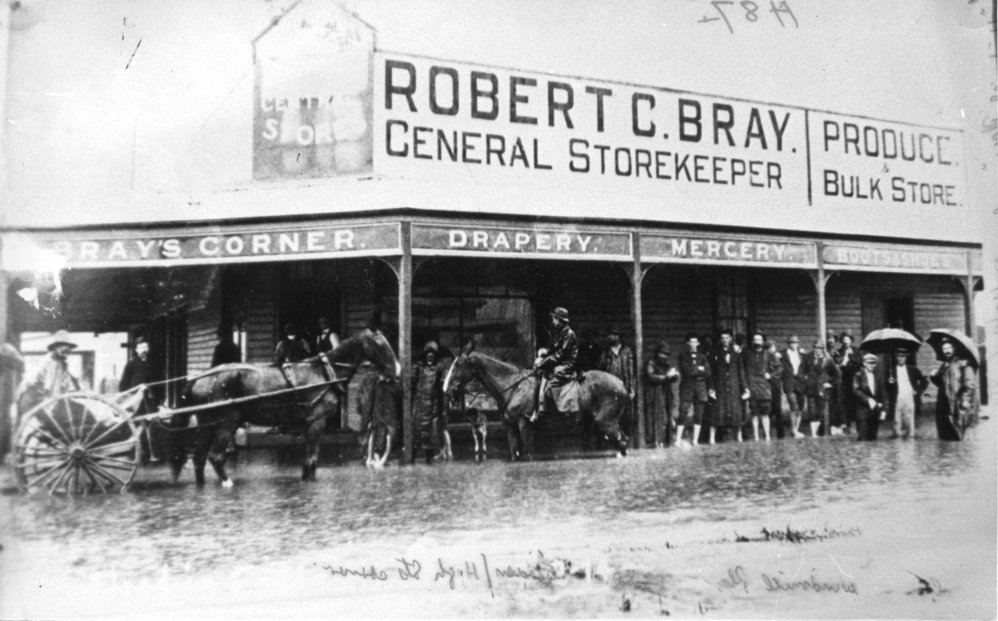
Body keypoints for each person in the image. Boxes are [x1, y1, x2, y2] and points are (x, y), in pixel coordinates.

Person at [17, 331, 81, 424]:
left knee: (74, 409)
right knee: (71, 413)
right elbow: (51, 390)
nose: (66, 349)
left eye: (68, 347)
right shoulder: (51, 362)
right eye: (62, 346)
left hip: (36, 399)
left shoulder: (59, 362)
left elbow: (64, 385)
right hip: (32, 400)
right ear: (55, 348)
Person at [532, 307, 578, 422]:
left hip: (566, 365)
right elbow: (555, 348)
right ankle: (539, 408)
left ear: (560, 320)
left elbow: (559, 355)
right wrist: (545, 352)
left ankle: (556, 414)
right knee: (540, 376)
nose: (553, 322)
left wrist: (542, 363)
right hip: (560, 362)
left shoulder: (569, 334)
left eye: (554, 319)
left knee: (550, 385)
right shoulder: (561, 332)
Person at [929, 338, 979, 436]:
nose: (947, 351)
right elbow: (941, 384)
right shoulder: (945, 365)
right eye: (944, 348)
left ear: (954, 348)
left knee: (957, 431)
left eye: (949, 348)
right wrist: (934, 376)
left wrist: (966, 399)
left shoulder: (963, 363)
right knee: (944, 431)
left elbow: (970, 384)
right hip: (943, 403)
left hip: (956, 402)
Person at [709, 328, 749, 444]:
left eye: (727, 338)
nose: (725, 340)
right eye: (723, 338)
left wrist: (745, 387)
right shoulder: (715, 353)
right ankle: (712, 437)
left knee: (736, 411)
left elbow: (741, 371)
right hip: (720, 385)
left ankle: (739, 436)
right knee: (716, 411)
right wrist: (711, 388)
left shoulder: (736, 353)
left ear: (731, 339)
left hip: (734, 385)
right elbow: (712, 371)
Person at [412, 341, 449, 463]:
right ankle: (412, 458)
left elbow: (443, 386)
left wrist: (443, 407)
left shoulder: (439, 367)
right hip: (419, 405)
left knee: (431, 434)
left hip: (433, 406)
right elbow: (411, 382)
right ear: (425, 354)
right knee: (416, 432)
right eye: (428, 352)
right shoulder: (418, 367)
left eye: (433, 353)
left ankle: (429, 459)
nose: (431, 355)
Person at [743, 332, 782, 442]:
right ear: (752, 341)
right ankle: (756, 436)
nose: (757, 342)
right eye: (755, 340)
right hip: (752, 386)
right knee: (754, 413)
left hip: (764, 387)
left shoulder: (768, 354)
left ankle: (767, 436)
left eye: (759, 340)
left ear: (763, 342)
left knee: (765, 413)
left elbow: (779, 367)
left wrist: (770, 375)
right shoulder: (747, 354)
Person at [676, 333, 713, 447]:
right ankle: (678, 440)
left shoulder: (703, 357)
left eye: (695, 342)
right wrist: (699, 369)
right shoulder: (683, 356)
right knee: (683, 411)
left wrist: (696, 370)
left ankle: (695, 440)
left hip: (700, 387)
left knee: (699, 413)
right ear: (688, 343)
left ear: (698, 343)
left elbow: (708, 372)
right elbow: (686, 370)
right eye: (691, 342)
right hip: (687, 386)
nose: (693, 344)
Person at [600, 326, 635, 437]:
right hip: (609, 387)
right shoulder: (606, 351)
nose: (609, 337)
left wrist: (632, 388)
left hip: (623, 385)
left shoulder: (627, 351)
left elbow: (631, 370)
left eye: (611, 335)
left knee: (624, 412)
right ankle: (611, 437)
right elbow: (601, 368)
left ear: (617, 336)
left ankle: (625, 436)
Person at [644, 341, 679, 448]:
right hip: (654, 393)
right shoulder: (651, 363)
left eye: (666, 354)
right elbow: (651, 376)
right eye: (661, 353)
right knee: (655, 417)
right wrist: (666, 377)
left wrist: (674, 375)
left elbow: (671, 378)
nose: (663, 356)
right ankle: (655, 441)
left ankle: (667, 440)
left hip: (666, 392)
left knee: (667, 416)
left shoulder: (667, 363)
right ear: (657, 353)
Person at [803, 339, 841, 437]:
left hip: (822, 389)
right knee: (811, 411)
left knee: (820, 412)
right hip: (811, 388)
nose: (817, 350)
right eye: (816, 348)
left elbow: (837, 374)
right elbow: (802, 370)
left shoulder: (828, 360)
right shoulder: (808, 358)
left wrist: (830, 383)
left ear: (823, 349)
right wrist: (804, 379)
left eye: (820, 348)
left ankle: (821, 431)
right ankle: (813, 434)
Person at [887, 348, 927, 440]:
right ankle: (897, 440)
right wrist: (890, 382)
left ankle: (910, 440)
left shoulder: (912, 369)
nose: (900, 358)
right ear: (896, 357)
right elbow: (887, 388)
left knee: (909, 420)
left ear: (906, 357)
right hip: (898, 397)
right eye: (898, 356)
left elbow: (924, 380)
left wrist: (918, 391)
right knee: (897, 420)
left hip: (909, 397)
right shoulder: (892, 371)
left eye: (902, 356)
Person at [853, 353, 887, 441]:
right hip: (862, 412)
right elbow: (856, 390)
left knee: (873, 438)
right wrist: (868, 399)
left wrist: (883, 410)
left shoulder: (877, 376)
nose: (872, 365)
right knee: (863, 438)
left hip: (875, 412)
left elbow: (883, 394)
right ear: (864, 363)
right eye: (869, 363)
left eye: (874, 363)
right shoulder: (858, 375)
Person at [781, 335, 808, 439]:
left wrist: (805, 377)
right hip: (789, 383)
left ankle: (796, 429)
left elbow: (807, 367)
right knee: (794, 406)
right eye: (791, 343)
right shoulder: (783, 355)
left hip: (800, 383)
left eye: (795, 343)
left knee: (800, 408)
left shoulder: (802, 355)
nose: (793, 345)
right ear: (788, 344)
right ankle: (793, 430)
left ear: (798, 344)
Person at [834, 333, 861, 434]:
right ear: (842, 341)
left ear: (851, 340)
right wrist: (842, 361)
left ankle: (855, 423)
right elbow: (837, 364)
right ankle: (846, 424)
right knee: (845, 401)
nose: (846, 341)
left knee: (856, 400)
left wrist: (851, 357)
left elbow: (860, 362)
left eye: (848, 339)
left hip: (854, 378)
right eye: (844, 340)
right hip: (844, 379)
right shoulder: (839, 351)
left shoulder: (856, 350)